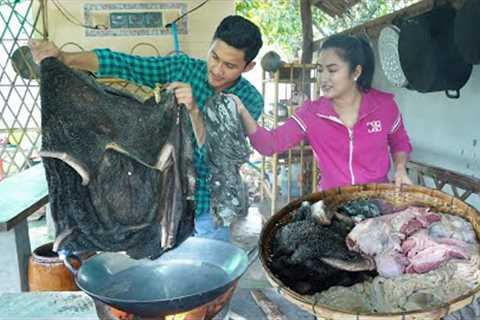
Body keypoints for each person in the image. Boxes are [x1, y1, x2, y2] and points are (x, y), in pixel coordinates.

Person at [30, 15, 264, 241]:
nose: (217, 69)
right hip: (165, 204)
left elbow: (217, 158)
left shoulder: (248, 101)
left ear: (248, 66)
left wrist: (194, 112)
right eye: (214, 57)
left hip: (210, 210)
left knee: (210, 276)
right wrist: (64, 58)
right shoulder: (183, 69)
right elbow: (125, 64)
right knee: (165, 276)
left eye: (230, 65)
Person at [234, 34, 413, 190]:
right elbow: (270, 144)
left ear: (356, 71)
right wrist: (241, 110)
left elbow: (400, 142)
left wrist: (399, 168)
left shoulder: (384, 106)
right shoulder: (311, 114)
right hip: (334, 204)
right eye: (320, 70)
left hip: (378, 200)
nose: (323, 78)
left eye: (332, 70)